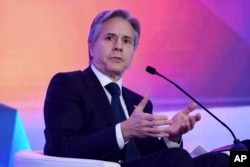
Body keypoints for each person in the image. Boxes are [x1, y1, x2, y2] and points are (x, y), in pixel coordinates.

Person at [43, 9, 230, 166]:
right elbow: (63, 147)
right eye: (110, 38)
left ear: (133, 51)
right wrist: (123, 131)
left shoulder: (138, 103)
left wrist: (171, 138)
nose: (118, 47)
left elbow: (153, 159)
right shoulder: (68, 85)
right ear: (91, 47)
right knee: (179, 158)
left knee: (231, 158)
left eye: (127, 41)